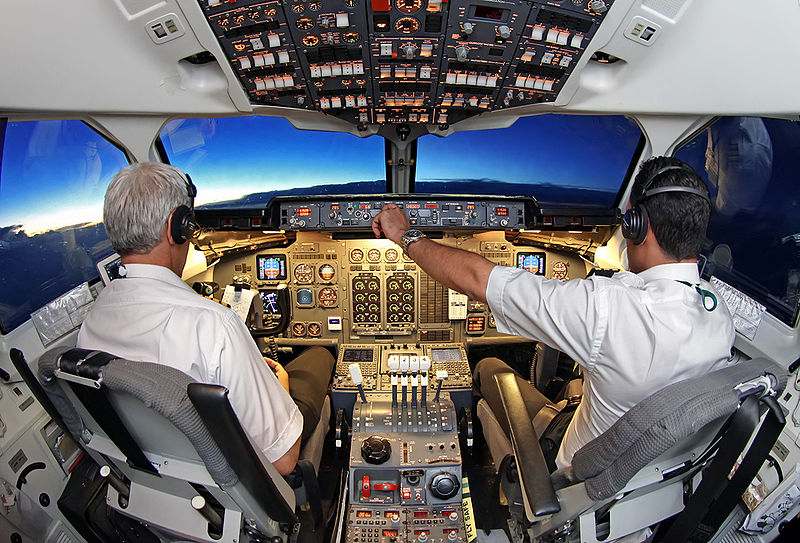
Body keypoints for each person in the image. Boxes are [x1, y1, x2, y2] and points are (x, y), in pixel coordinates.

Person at [371, 156, 735, 469]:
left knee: (488, 367)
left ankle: (511, 478)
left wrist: (405, 235)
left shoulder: (607, 309)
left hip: (576, 475)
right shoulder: (720, 318)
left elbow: (474, 280)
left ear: (636, 226)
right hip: (646, 474)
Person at [78, 162, 334, 475]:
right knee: (320, 354)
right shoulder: (212, 324)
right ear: (179, 226)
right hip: (233, 481)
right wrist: (279, 384)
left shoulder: (92, 320)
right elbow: (282, 459)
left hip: (165, 475)